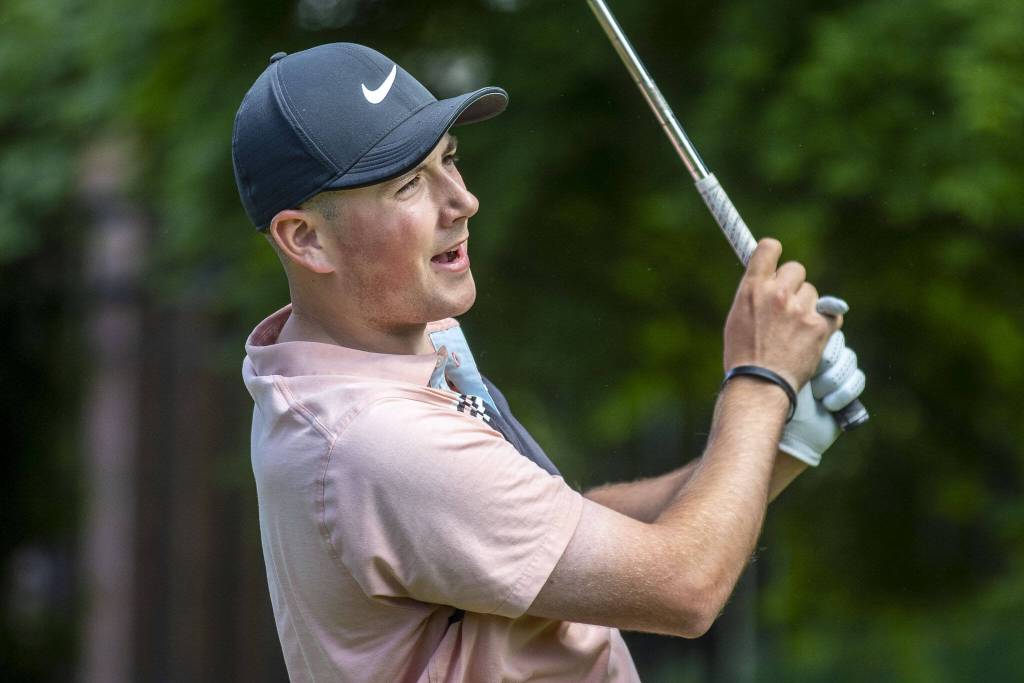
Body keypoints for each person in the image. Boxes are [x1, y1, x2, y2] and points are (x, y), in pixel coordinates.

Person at [233, 43, 866, 682]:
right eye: (409, 185)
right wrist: (760, 383)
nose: (462, 201)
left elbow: (559, 532)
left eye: (449, 160)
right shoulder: (375, 439)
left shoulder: (375, 366)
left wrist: (782, 443)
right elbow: (683, 587)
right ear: (306, 238)